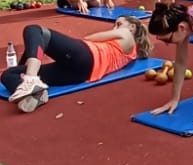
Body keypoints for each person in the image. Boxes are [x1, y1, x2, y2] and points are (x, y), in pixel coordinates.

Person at [2, 17, 152, 113]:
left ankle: (30, 78)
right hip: (80, 75)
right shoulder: (130, 54)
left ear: (132, 27)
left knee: (34, 29)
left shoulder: (127, 35)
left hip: (87, 56)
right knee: (8, 74)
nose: (114, 28)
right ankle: (35, 95)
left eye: (118, 24)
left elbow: (90, 38)